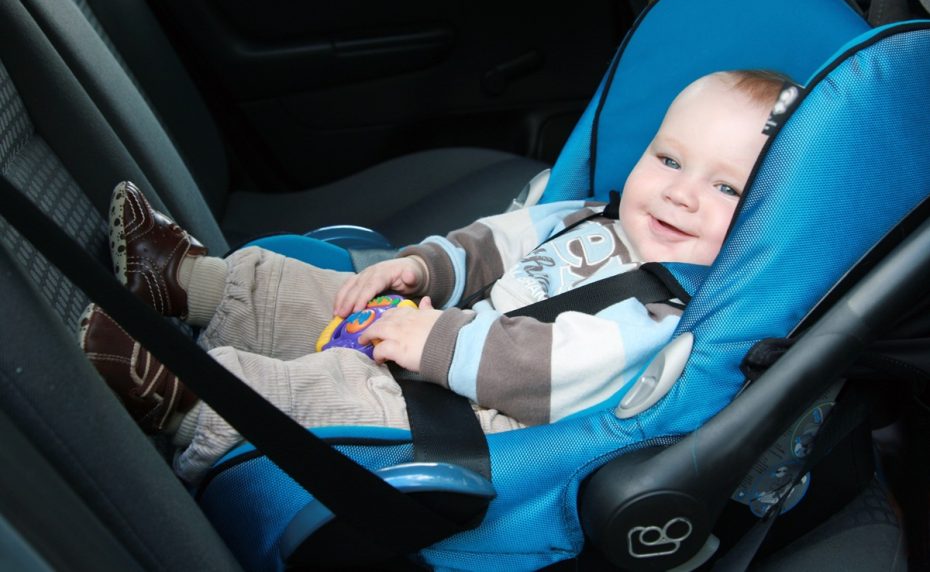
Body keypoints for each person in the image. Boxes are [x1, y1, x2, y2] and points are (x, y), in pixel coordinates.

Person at [79, 70, 790, 483]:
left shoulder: (667, 317)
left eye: (726, 188)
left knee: (338, 392)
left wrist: (434, 343)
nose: (681, 193)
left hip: (491, 418)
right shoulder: (589, 218)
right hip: (445, 333)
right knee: (319, 291)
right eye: (669, 160)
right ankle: (186, 282)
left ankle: (181, 397)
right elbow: (492, 243)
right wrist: (420, 267)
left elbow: (564, 366)